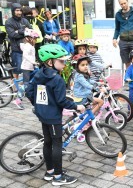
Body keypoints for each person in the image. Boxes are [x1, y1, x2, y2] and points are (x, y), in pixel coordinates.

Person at [25, 44, 85, 186]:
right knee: (57, 144)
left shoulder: (39, 74)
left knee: (48, 142)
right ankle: (58, 177)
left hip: (42, 115)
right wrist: (77, 106)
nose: (64, 64)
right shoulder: (57, 79)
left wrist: (38, 105)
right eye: (61, 61)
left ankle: (50, 172)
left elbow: (29, 92)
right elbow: (61, 101)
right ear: (50, 62)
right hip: (53, 117)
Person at [5, 3, 32, 80]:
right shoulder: (9, 22)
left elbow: (31, 31)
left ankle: (25, 85)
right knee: (17, 69)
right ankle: (14, 87)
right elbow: (13, 35)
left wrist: (19, 31)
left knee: (27, 69)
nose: (19, 12)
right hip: (17, 50)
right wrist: (24, 32)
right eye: (17, 10)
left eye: (20, 10)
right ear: (13, 11)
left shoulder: (25, 20)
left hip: (27, 49)